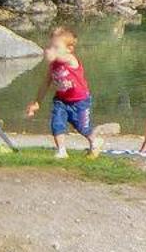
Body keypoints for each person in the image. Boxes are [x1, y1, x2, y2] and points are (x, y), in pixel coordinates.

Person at [25, 27, 97, 159]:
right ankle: (62, 151)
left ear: (69, 49)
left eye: (56, 47)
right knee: (57, 123)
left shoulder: (70, 59)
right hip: (61, 100)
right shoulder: (53, 66)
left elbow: (62, 57)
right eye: (50, 46)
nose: (51, 50)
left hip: (80, 100)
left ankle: (94, 142)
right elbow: (45, 84)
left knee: (82, 127)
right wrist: (37, 102)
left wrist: (54, 54)